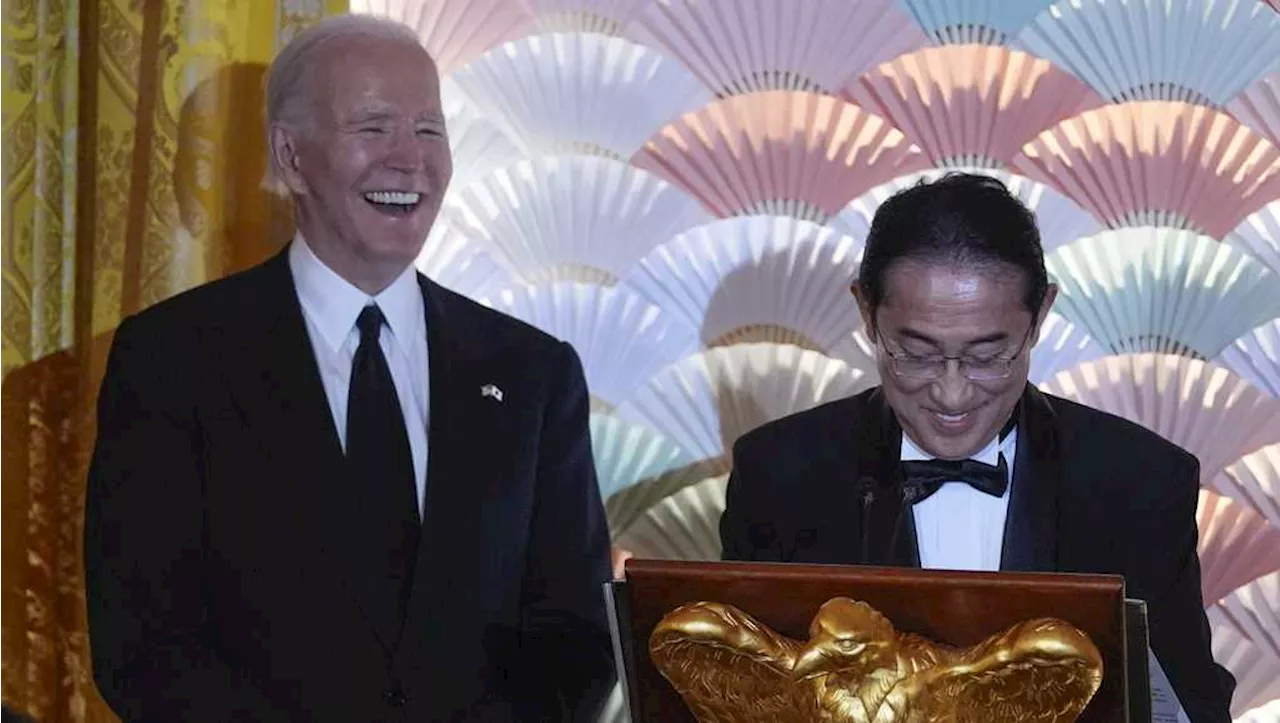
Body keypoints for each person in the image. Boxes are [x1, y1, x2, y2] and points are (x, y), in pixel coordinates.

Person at [84, 14, 615, 722]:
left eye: (430, 130)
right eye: (374, 127)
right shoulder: (174, 360)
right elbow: (144, 644)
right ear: (292, 157)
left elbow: (576, 639)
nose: (409, 159)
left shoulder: (532, 374)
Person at [718, 173, 1235, 721]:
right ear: (867, 312)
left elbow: (1190, 704)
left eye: (988, 356)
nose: (951, 391)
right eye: (914, 352)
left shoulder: (1139, 483)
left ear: (1038, 319)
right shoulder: (778, 475)